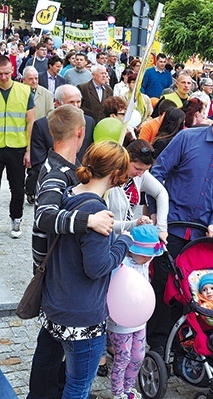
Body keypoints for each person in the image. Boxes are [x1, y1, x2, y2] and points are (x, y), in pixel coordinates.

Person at [28, 105, 115, 399]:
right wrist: (89, 220)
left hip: (58, 284)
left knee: (50, 354)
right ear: (81, 133)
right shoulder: (57, 172)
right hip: (57, 281)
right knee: (59, 369)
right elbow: (43, 217)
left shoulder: (68, 169)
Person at [146, 96, 213, 354]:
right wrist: (156, 211)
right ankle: (155, 342)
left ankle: (180, 341)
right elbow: (157, 174)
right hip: (172, 227)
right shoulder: (187, 138)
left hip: (201, 234)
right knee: (164, 284)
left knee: (191, 289)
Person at [40, 140, 132, 398]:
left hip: (56, 305)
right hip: (83, 316)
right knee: (78, 386)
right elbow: (98, 267)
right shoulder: (96, 211)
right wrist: (125, 240)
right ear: (115, 175)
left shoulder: (69, 193)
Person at [107, 224, 164, 399]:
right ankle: (118, 393)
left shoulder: (145, 261)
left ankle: (128, 388)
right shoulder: (120, 263)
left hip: (140, 318)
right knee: (122, 358)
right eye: (145, 255)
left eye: (150, 256)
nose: (148, 260)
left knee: (138, 356)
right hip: (120, 321)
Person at [106, 139, 169, 242]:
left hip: (125, 240)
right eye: (137, 168)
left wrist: (161, 227)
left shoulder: (140, 176)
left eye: (145, 170)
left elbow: (161, 193)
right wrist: (135, 223)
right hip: (107, 239)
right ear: (126, 159)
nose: (140, 174)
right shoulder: (108, 179)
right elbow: (105, 223)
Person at [0, 55, 35, 238]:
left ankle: (16, 219)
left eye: (6, 73)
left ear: (12, 70)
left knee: (17, 188)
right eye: (0, 74)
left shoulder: (24, 91)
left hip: (17, 148)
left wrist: (29, 151)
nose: (3, 77)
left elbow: (30, 124)